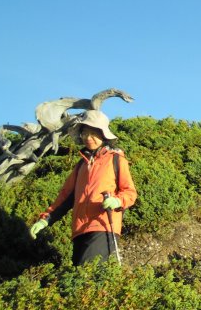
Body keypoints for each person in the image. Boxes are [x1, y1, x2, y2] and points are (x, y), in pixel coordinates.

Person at [29, 110, 137, 265]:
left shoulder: (116, 160)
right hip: (80, 229)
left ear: (103, 135)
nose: (88, 137)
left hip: (103, 224)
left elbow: (130, 192)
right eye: (85, 133)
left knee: (87, 274)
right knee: (82, 277)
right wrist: (45, 219)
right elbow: (65, 198)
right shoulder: (80, 165)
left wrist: (117, 201)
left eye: (93, 133)